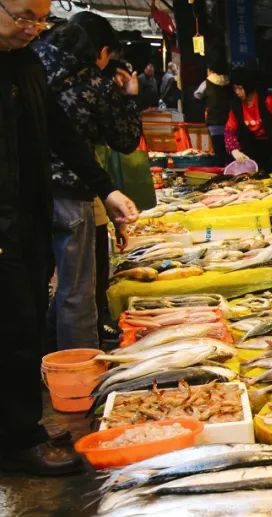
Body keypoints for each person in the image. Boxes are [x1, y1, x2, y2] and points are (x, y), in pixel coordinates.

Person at [1, 0, 139, 475]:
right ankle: (19, 439)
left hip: (30, 211)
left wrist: (107, 188)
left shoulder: (27, 62)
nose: (33, 28)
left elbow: (58, 130)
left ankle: (19, 428)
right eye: (23, 16)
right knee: (15, 324)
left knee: (24, 320)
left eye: (41, 19)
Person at [34, 11, 142, 350]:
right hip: (72, 192)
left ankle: (42, 351)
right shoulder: (92, 83)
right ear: (101, 50)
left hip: (26, 191)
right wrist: (129, 96)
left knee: (33, 284)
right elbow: (125, 140)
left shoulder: (35, 66)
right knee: (77, 289)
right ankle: (79, 364)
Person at [225, 65, 272, 173]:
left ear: (248, 86)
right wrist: (234, 149)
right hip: (251, 151)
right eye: (235, 88)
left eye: (240, 88)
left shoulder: (269, 101)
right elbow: (229, 131)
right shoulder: (236, 107)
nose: (237, 92)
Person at [193, 57, 231, 165]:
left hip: (214, 121)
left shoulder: (207, 82)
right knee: (229, 150)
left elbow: (197, 95)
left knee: (218, 150)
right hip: (229, 122)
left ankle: (222, 170)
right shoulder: (230, 82)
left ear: (210, 70)